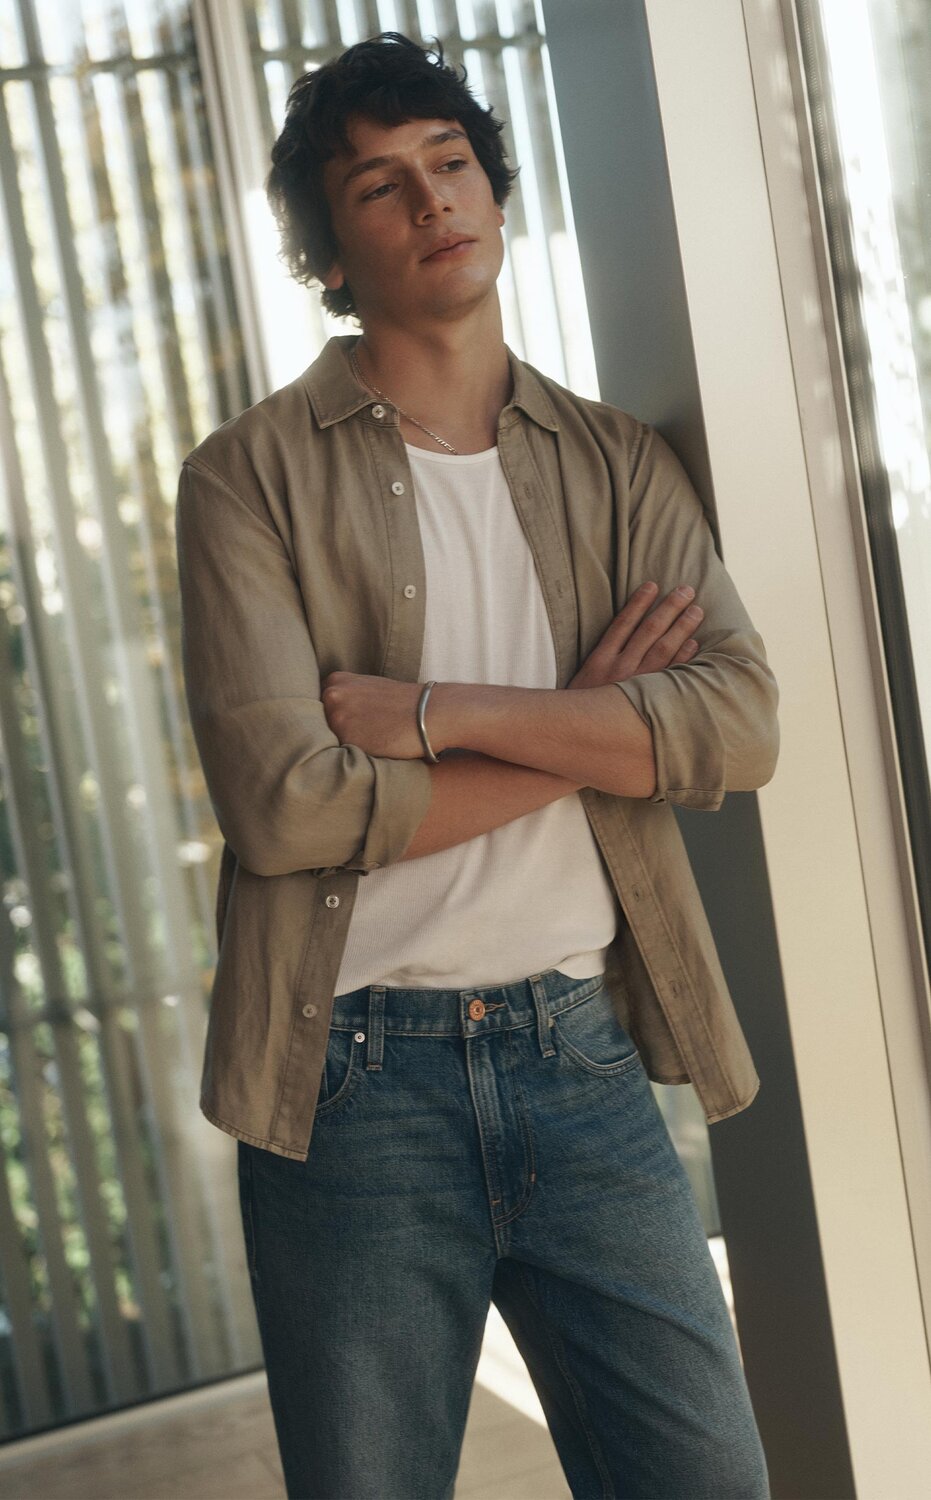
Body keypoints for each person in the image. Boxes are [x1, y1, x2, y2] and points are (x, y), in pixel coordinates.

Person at [175, 30, 777, 1500]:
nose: (432, 200)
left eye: (452, 165)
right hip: (353, 1085)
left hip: (580, 1062)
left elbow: (739, 724)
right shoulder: (247, 478)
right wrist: (593, 724)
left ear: (497, 197)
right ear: (328, 258)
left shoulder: (621, 464)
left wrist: (444, 710)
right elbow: (290, 806)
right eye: (379, 187)